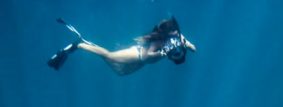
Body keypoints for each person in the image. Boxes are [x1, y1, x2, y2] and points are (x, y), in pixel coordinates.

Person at [47, 17, 196, 76]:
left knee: (121, 72)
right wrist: (161, 54)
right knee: (110, 56)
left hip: (141, 62)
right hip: (138, 56)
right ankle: (80, 45)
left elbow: (192, 47)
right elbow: (147, 55)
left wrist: (188, 45)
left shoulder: (178, 39)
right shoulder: (162, 44)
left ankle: (87, 45)